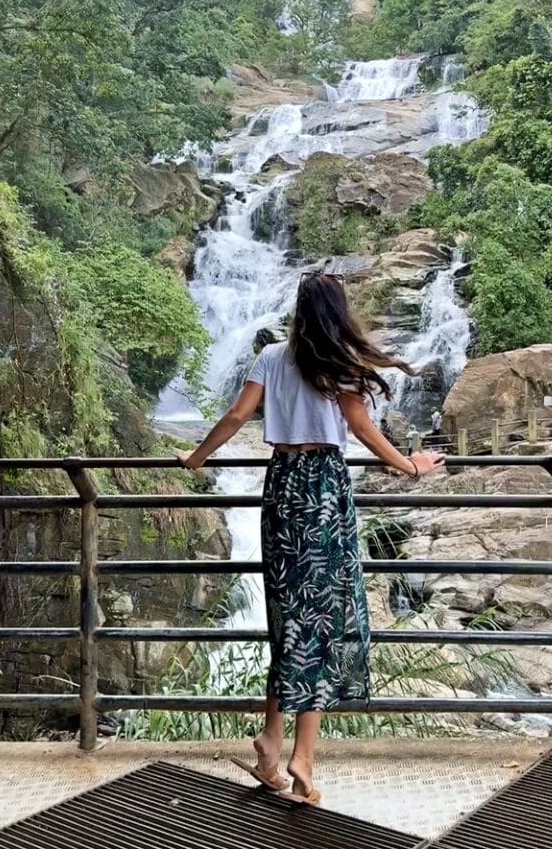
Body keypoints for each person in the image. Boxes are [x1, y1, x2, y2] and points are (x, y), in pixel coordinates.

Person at [177, 272, 444, 805]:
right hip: (323, 489)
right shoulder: (339, 362)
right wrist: (410, 466)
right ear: (338, 311)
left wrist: (195, 458)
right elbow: (364, 430)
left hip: (281, 486)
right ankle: (302, 755)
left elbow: (236, 416)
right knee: (320, 619)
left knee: (289, 616)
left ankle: (271, 741)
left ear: (300, 310)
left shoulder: (273, 356)